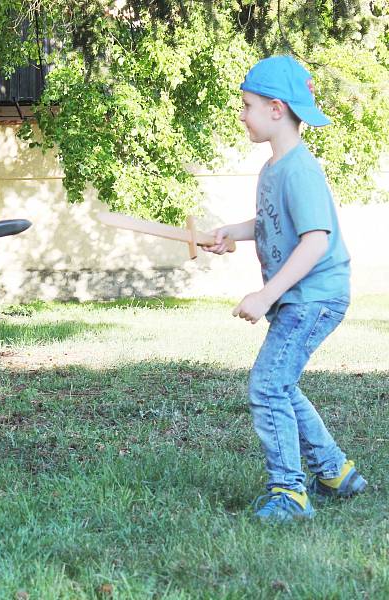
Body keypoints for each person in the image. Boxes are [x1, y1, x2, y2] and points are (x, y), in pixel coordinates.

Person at [205, 56, 366, 522]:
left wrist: (264, 294)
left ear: (276, 109)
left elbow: (316, 240)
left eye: (247, 105)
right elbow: (273, 224)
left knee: (267, 385)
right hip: (300, 298)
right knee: (281, 384)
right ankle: (335, 472)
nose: (242, 115)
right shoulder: (272, 170)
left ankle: (290, 494)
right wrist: (230, 233)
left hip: (315, 297)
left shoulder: (300, 169)